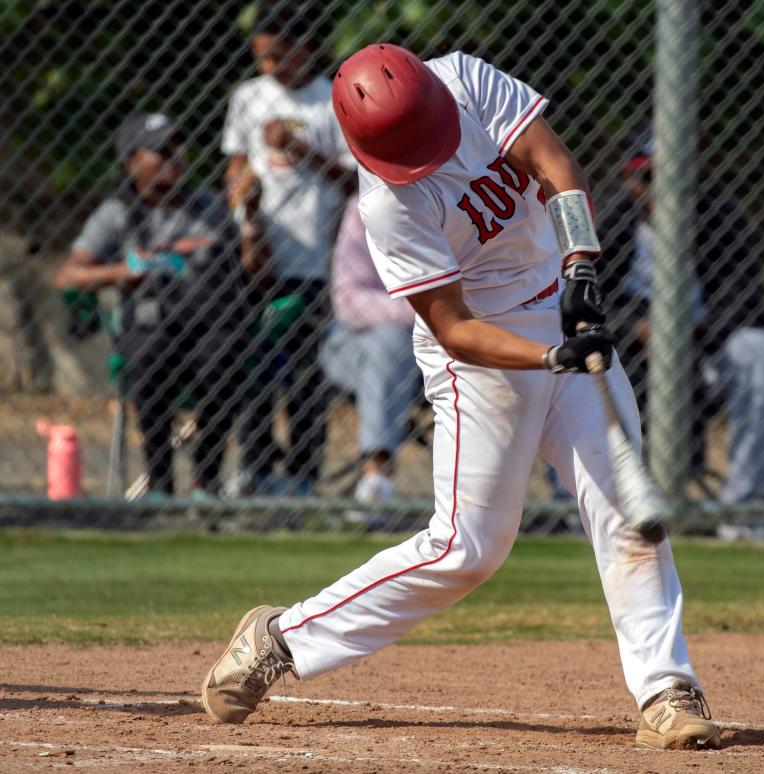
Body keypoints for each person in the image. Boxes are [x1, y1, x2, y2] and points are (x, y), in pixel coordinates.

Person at [201, 44, 719, 751]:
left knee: (626, 511)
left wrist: (580, 264)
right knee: (466, 550)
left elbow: (553, 162)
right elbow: (455, 329)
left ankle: (665, 688)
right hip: (482, 358)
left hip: (554, 302)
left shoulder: (465, 80)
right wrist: (551, 355)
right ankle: (283, 637)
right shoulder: (386, 206)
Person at [55, 113, 260, 496]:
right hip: (152, 326)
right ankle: (160, 483)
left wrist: (251, 215)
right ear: (131, 162)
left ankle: (205, 478)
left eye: (176, 149)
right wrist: (122, 271)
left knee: (227, 356)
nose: (174, 158)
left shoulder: (208, 206)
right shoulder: (117, 213)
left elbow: (252, 268)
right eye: (160, 151)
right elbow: (69, 275)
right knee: (149, 356)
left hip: (209, 324)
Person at [602, 136, 764, 503]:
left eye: (669, 178)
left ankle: (745, 513)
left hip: (706, 349)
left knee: (759, 349)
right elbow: (584, 297)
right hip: (628, 355)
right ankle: (593, 508)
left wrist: (686, 337)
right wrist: (633, 327)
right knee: (573, 359)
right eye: (646, 178)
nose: (656, 190)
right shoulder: (610, 220)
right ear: (630, 181)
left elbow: (742, 297)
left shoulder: (720, 218)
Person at [222, 1, 356, 494]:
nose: (269, 69)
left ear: (305, 49)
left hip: (313, 262)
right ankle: (256, 470)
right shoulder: (248, 97)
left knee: (303, 376)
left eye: (278, 57)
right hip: (257, 257)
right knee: (252, 367)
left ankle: (301, 476)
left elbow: (351, 181)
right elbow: (234, 166)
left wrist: (299, 149)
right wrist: (243, 193)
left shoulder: (331, 100)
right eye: (262, 58)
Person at [322, 194, 420, 522]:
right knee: (389, 344)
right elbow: (349, 302)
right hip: (357, 347)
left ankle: (565, 488)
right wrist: (430, 311)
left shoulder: (459, 200)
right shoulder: (363, 207)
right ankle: (377, 475)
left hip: (438, 348)